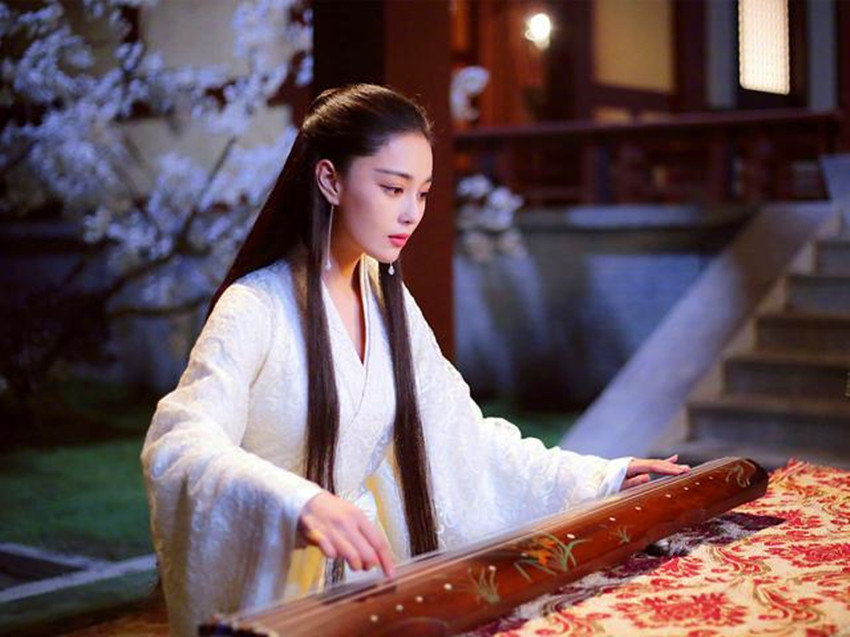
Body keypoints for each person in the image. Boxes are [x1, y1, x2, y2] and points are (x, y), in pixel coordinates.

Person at [140, 83, 690, 637]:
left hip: (366, 585)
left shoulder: (388, 301)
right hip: (281, 596)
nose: (410, 213)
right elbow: (180, 445)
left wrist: (599, 478)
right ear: (330, 180)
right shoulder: (256, 306)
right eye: (392, 188)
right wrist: (297, 504)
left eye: (422, 193)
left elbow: (462, 437)